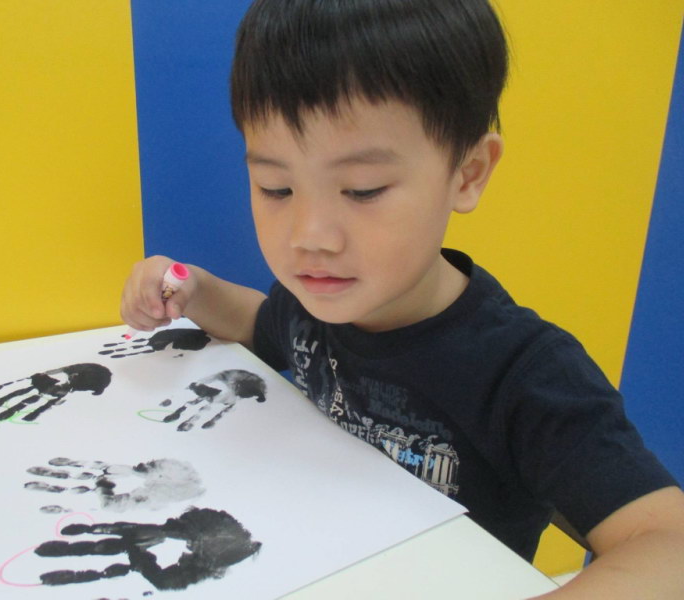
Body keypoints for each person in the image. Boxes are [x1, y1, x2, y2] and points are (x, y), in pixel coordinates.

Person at [121, 0, 684, 596]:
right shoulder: (317, 307)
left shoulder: (526, 374)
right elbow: (261, 324)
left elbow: (667, 543)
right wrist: (193, 287)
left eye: (363, 190)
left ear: (468, 173)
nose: (310, 236)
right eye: (276, 187)